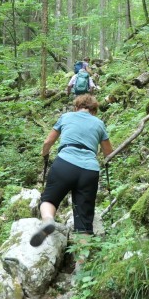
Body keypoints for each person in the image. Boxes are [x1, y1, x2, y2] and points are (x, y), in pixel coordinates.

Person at [31, 94, 113, 247]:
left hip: (65, 163)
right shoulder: (99, 123)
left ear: (76, 107)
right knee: (84, 219)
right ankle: (81, 265)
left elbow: (48, 142)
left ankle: (48, 221)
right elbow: (109, 153)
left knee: (49, 199)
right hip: (90, 170)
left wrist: (45, 154)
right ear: (94, 110)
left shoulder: (66, 117)